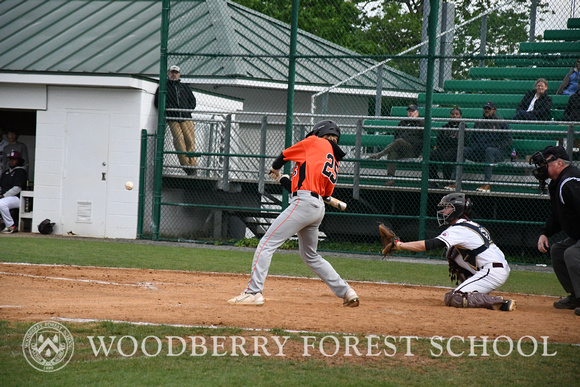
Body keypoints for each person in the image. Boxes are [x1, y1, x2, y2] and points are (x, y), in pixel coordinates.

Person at [228, 120, 359, 307]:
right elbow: (323, 194)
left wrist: (275, 168)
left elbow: (284, 155)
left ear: (318, 132)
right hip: (316, 208)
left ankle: (253, 292)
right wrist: (282, 179)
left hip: (304, 203)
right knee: (311, 256)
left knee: (266, 244)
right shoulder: (334, 159)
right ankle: (347, 291)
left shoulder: (315, 142)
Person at [392, 192, 515, 311]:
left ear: (457, 210)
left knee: (455, 298)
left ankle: (500, 303)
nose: (444, 211)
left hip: (491, 271)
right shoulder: (470, 225)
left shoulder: (459, 229)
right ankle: (476, 289)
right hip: (495, 268)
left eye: (448, 208)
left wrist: (399, 245)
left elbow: (430, 244)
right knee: (452, 252)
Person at [531, 146, 580, 316]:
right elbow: (558, 214)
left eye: (546, 164)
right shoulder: (559, 182)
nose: (542, 168)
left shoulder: (571, 182)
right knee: (559, 251)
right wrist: (545, 232)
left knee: (572, 254)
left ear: (559, 163)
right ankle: (576, 296)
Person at [154, 65, 198, 175]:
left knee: (190, 141)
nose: (174, 74)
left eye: (176, 72)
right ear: (168, 73)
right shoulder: (163, 87)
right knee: (178, 140)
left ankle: (193, 165)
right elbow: (157, 103)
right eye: (172, 72)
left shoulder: (185, 87)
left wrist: (186, 111)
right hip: (173, 118)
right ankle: (186, 165)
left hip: (186, 118)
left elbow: (193, 101)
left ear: (179, 74)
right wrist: (170, 111)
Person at [368, 104, 425, 186]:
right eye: (409, 111)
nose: (410, 113)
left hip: (412, 150)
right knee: (392, 153)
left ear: (417, 113)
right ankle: (390, 179)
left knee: (400, 141)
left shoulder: (421, 122)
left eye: (412, 111)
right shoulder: (403, 122)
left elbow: (422, 138)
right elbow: (396, 135)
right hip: (401, 149)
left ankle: (379, 155)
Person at [463, 102, 512, 193]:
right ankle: (454, 182)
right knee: (463, 150)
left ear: (494, 110)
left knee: (489, 150)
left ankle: (486, 184)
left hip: (497, 153)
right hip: (479, 152)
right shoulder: (479, 122)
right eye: (485, 108)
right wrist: (475, 147)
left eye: (489, 109)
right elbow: (472, 138)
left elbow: (508, 140)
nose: (486, 110)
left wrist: (497, 146)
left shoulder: (500, 122)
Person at [428, 108, 462, 189]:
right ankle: (434, 180)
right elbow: (439, 140)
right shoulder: (445, 126)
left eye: (456, 114)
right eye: (452, 114)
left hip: (456, 150)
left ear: (460, 116)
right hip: (444, 148)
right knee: (432, 154)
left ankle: (446, 181)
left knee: (448, 156)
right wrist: (451, 140)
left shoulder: (463, 127)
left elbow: (461, 142)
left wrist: (448, 140)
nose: (454, 116)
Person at [0, 151, 28, 234]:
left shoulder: (20, 171)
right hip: (5, 197)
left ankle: (11, 225)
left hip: (17, 198)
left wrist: (4, 195)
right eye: (10, 159)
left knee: (1, 203)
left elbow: (17, 189)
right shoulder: (5, 172)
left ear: (19, 160)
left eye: (14, 159)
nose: (11, 161)